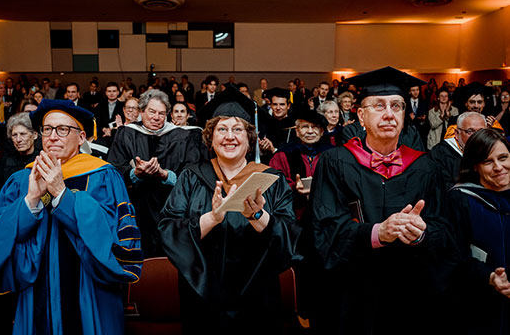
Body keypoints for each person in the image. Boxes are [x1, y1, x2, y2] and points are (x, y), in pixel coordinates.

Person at [0, 99, 142, 335]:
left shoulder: (104, 176)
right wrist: (31, 201)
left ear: (81, 137)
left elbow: (111, 236)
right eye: (47, 129)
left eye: (63, 129)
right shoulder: (22, 180)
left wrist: (61, 193)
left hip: (89, 292)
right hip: (36, 293)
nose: (53, 136)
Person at [306, 66, 453, 334]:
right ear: (361, 115)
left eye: (397, 106)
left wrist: (421, 234)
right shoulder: (336, 162)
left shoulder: (425, 167)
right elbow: (324, 229)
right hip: (354, 290)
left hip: (410, 290)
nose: (389, 114)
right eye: (379, 106)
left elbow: (444, 229)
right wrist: (377, 233)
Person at [158, 86, 299, 334]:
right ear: (210, 138)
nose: (229, 137)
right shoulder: (191, 177)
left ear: (249, 137)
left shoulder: (270, 180)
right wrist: (212, 218)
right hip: (202, 295)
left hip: (258, 297)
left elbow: (292, 238)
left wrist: (258, 216)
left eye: (238, 130)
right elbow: (168, 229)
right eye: (221, 129)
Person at [108, 89, 203, 257]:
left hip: (172, 209)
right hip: (137, 209)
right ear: (141, 111)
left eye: (161, 113)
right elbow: (114, 169)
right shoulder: (126, 134)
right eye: (151, 112)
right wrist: (134, 174)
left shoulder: (183, 136)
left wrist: (166, 175)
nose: (156, 117)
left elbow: (194, 171)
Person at [446, 128, 510, 334]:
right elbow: (454, 256)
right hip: (479, 305)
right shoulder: (462, 199)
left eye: (503, 158)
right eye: (487, 161)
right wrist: (490, 277)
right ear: (475, 166)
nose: (499, 167)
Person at [0, 112, 40, 196]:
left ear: (34, 135)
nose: (18, 139)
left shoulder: (42, 160)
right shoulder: (4, 162)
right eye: (14, 135)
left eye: (23, 134)